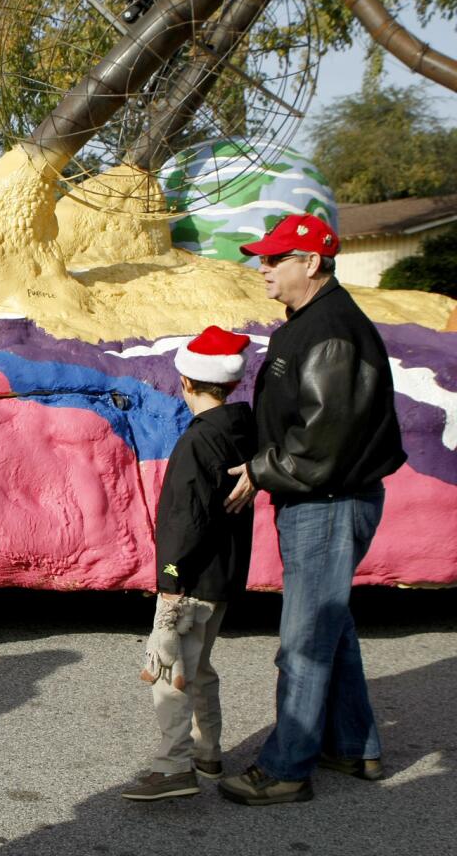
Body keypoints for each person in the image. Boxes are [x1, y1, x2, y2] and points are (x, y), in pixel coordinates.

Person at [219, 214, 406, 806]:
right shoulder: (311, 322)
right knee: (331, 625)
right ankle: (354, 747)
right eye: (263, 257)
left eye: (276, 259)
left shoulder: (332, 332)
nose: (263, 268)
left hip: (327, 500)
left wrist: (259, 469)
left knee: (304, 640)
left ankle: (285, 769)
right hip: (320, 497)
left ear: (313, 263)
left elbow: (324, 439)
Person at [121, 326, 255, 802]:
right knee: (199, 666)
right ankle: (208, 750)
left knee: (168, 668)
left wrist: (170, 579)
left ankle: (174, 765)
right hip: (222, 576)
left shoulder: (199, 441)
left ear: (186, 382)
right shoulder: (243, 429)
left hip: (190, 579)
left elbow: (186, 517)